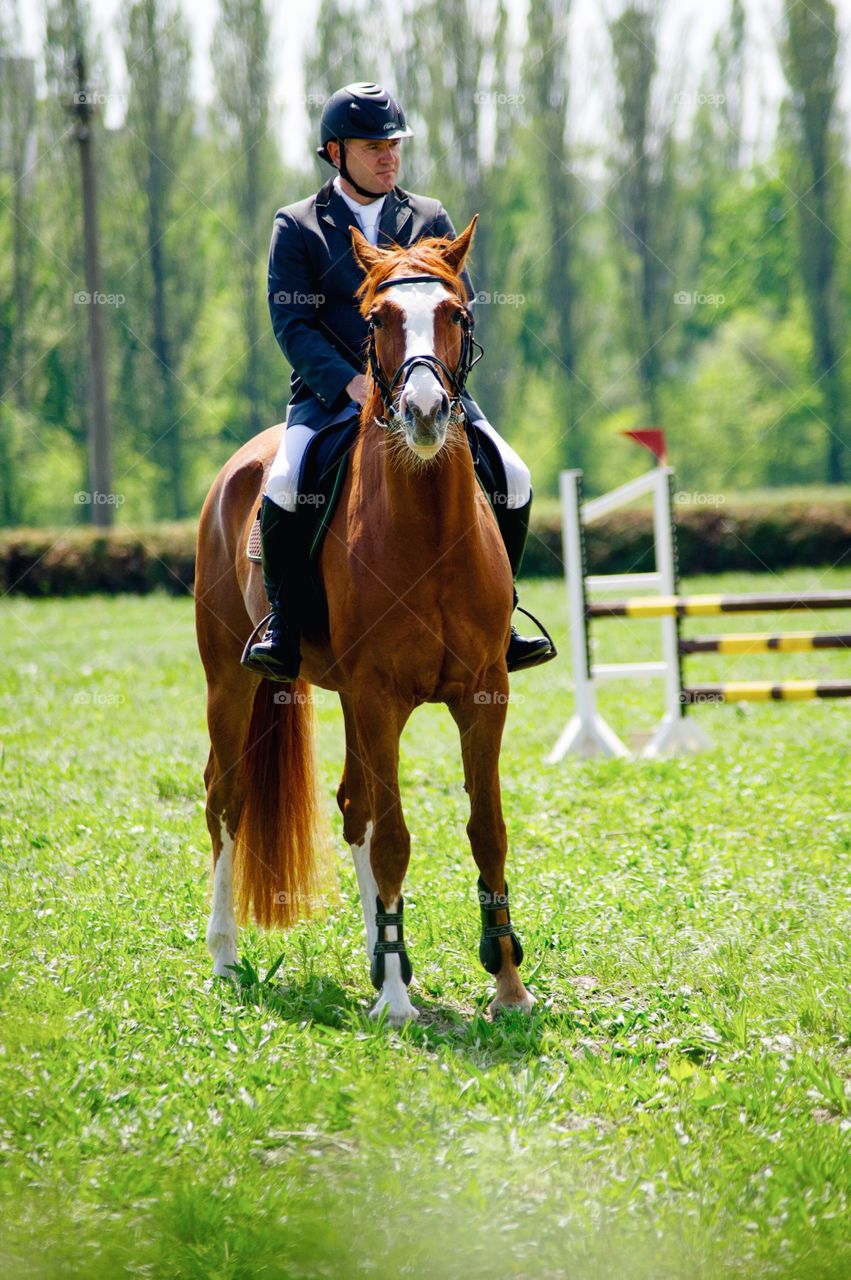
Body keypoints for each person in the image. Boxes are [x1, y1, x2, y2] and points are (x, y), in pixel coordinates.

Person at [243, 81, 556, 682]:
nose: (389, 156)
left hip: (431, 390)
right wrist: (349, 384)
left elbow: (456, 308)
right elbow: (291, 323)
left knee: (513, 473)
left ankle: (503, 616)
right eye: (372, 146)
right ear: (336, 153)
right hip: (331, 398)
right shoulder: (299, 224)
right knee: (284, 482)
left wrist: (442, 372)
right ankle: (283, 625)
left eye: (395, 145)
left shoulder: (429, 217)